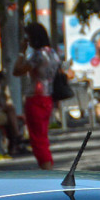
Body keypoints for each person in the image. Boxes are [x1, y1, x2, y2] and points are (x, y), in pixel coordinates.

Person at [12, 21, 60, 170]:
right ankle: (47, 167)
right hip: (48, 97)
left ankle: (47, 170)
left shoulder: (38, 55)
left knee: (37, 139)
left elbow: (17, 70)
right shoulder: (52, 53)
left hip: (36, 98)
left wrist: (21, 51)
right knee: (43, 136)